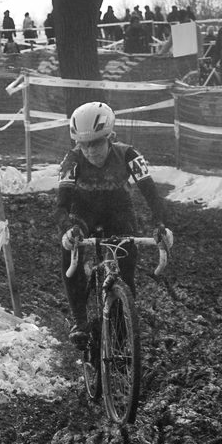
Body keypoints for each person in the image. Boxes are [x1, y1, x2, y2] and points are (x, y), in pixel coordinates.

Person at [56, 101, 172, 348]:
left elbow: (151, 194)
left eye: (96, 142)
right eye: (83, 144)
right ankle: (80, 320)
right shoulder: (72, 160)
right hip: (83, 211)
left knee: (126, 265)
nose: (90, 151)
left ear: (110, 137)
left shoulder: (129, 154)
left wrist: (161, 224)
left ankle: (122, 323)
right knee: (71, 249)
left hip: (119, 210)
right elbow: (62, 205)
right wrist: (67, 228)